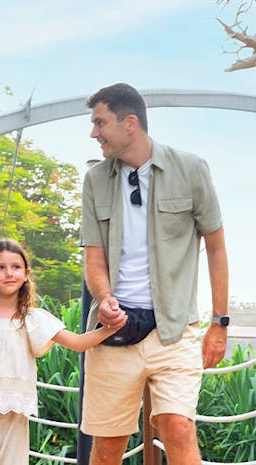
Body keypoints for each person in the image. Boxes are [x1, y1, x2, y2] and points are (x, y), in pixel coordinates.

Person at [79, 83, 229, 465]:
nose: (94, 133)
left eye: (100, 122)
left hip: (174, 328)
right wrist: (105, 299)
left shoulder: (191, 169)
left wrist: (220, 323)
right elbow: (94, 258)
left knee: (178, 427)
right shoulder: (95, 180)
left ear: (130, 123)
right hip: (113, 330)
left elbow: (216, 247)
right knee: (108, 447)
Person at [0, 238, 126, 465]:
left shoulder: (33, 318)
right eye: (0, 267)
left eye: (16, 267)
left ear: (26, 274)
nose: (9, 273)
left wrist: (111, 329)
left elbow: (78, 343)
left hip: (16, 412)